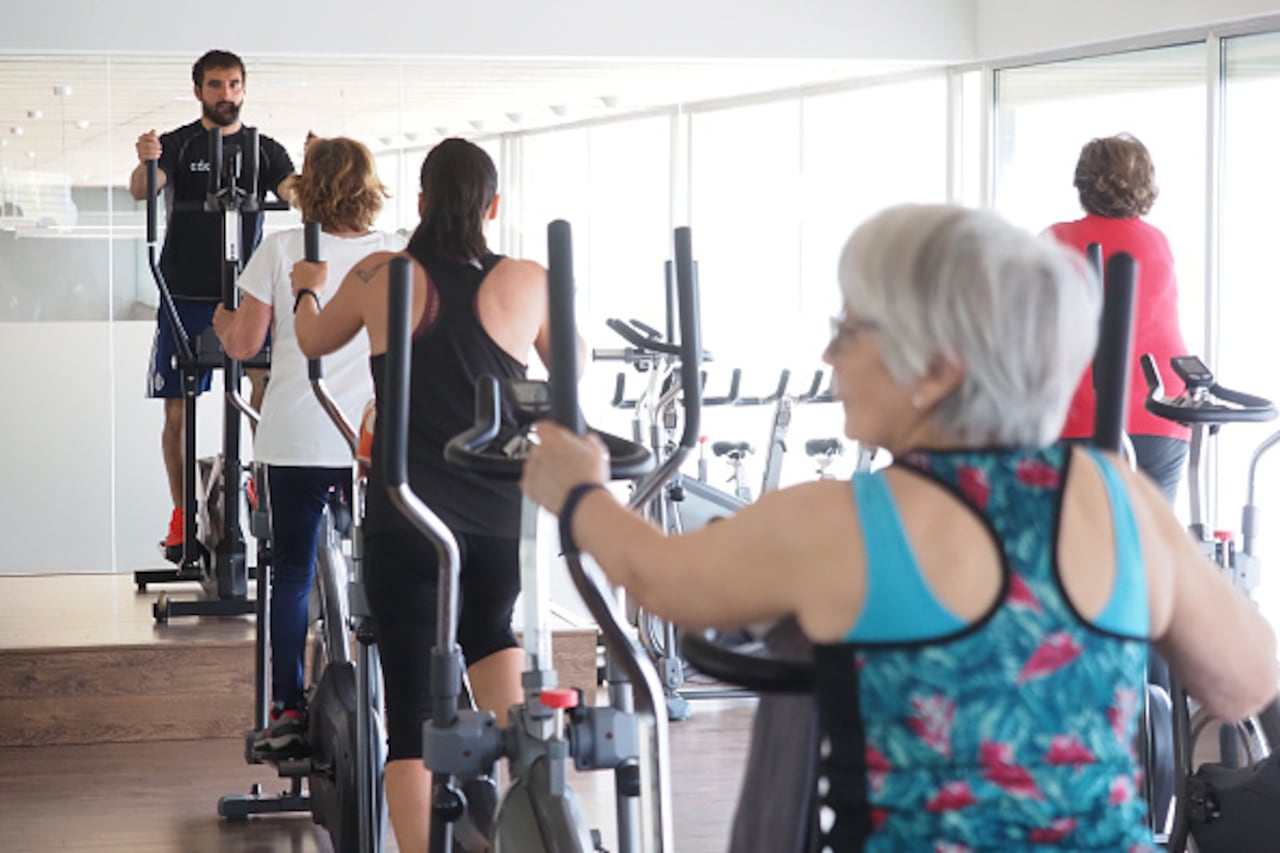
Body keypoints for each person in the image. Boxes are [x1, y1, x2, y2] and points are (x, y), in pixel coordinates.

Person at [521, 204, 1278, 851]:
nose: (828, 353)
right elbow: (1245, 682)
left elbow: (657, 577)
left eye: (850, 329)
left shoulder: (838, 521)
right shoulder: (1120, 498)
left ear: (939, 366)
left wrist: (580, 490)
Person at [288, 137, 579, 852]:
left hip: (408, 521)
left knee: (415, 718)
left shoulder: (382, 274)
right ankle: (544, 824)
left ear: (419, 202)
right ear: (493, 206)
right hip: (498, 525)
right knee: (493, 641)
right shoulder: (529, 280)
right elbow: (571, 376)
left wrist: (305, 284)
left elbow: (311, 340)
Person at [211, 136, 403, 754]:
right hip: (373, 443)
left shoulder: (282, 249)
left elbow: (243, 344)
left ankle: (288, 710)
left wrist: (218, 317)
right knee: (388, 573)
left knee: (291, 573)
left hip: (295, 436)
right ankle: (400, 702)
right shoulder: (394, 255)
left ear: (305, 187)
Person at [129, 49, 296, 562]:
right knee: (178, 409)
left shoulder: (265, 149)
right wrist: (148, 160)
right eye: (216, 85)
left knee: (263, 393)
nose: (227, 94)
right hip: (185, 294)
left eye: (234, 85)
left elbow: (296, 193)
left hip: (248, 294)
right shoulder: (180, 144)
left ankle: (266, 494)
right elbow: (142, 190)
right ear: (199, 89)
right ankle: (184, 517)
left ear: (244, 89)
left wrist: (320, 176)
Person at [1046, 133, 1191, 502]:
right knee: (1147, 547)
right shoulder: (1158, 242)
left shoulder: (1055, 240)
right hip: (1162, 417)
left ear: (1082, 183)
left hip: (1081, 416)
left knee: (1077, 544)